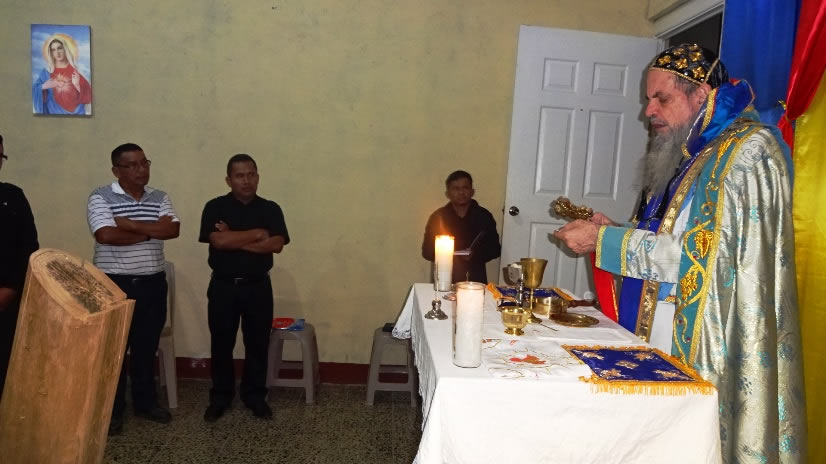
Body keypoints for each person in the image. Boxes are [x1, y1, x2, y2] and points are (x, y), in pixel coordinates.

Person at [554, 44, 806, 463]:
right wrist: (614, 231)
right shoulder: (691, 150)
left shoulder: (746, 152)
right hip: (659, 330)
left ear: (701, 94)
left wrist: (603, 242)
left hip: (708, 339)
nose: (648, 111)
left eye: (661, 98)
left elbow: (705, 258)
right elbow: (673, 234)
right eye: (648, 99)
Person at [87, 143, 179, 435]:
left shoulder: (160, 196)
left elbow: (172, 230)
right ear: (117, 170)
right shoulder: (101, 196)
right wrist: (150, 231)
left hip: (153, 283)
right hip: (115, 285)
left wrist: (130, 225)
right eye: (133, 165)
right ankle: (112, 411)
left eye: (145, 163)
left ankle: (145, 403)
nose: (142, 170)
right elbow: (105, 235)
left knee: (146, 348)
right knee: (113, 351)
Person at [199, 154, 289, 422]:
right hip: (223, 286)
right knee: (221, 343)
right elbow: (218, 242)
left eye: (251, 174)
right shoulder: (215, 207)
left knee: (258, 343)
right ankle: (220, 397)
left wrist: (233, 237)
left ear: (258, 177)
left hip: (258, 286)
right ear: (229, 180)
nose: (246, 180)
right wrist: (258, 234)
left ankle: (255, 396)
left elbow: (276, 245)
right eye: (239, 176)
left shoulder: (270, 209)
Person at [0, 133, 39, 401]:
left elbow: (29, 248)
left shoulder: (12, 196)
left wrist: (11, 288)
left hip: (7, 296)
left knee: (7, 364)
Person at [421, 170, 501, 283]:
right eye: (456, 188)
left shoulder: (484, 216)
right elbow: (427, 251)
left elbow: (495, 249)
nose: (461, 192)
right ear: (448, 193)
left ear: (472, 191)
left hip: (475, 279)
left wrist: (475, 254)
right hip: (444, 278)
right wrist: (449, 254)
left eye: (465, 188)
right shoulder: (438, 217)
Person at [32, 34, 92, 115]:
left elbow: (88, 96)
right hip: (52, 112)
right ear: (51, 53)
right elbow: (35, 89)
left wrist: (77, 85)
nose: (57, 52)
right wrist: (44, 86)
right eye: (53, 50)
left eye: (59, 48)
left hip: (77, 113)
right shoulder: (47, 72)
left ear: (65, 49)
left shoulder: (75, 71)